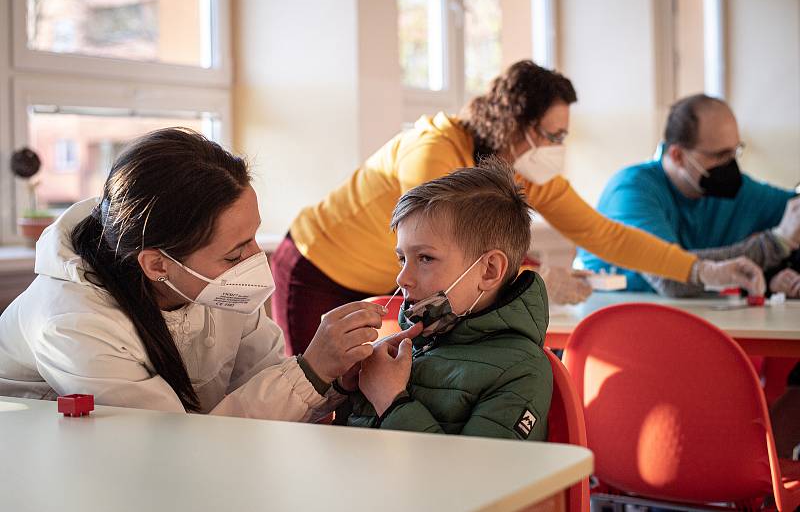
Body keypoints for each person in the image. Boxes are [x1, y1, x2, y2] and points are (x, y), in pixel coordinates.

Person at [272, 61, 765, 356]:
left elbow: (607, 236)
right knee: (319, 406)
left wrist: (701, 269)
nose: (557, 145)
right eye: (551, 135)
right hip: (318, 267)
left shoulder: (524, 172)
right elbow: (437, 242)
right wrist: (530, 275)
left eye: (563, 135)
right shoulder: (435, 149)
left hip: (389, 282)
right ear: (514, 124)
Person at [0, 128, 394, 419]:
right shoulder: (72, 323)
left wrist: (336, 379)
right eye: (235, 253)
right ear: (157, 264)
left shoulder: (212, 285)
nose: (256, 260)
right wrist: (311, 371)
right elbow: (173, 446)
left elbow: (266, 387)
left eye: (254, 238)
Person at [345, 162, 552, 439]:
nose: (402, 278)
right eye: (402, 259)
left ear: (489, 271)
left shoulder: (522, 371)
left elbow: (476, 478)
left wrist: (392, 401)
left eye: (425, 258)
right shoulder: (414, 346)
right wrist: (345, 387)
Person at [578, 94, 798, 297]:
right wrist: (776, 243)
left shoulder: (739, 192)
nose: (730, 165)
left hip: (696, 320)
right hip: (613, 321)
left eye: (734, 152)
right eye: (720, 155)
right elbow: (671, 279)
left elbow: (793, 209)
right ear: (678, 155)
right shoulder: (631, 191)